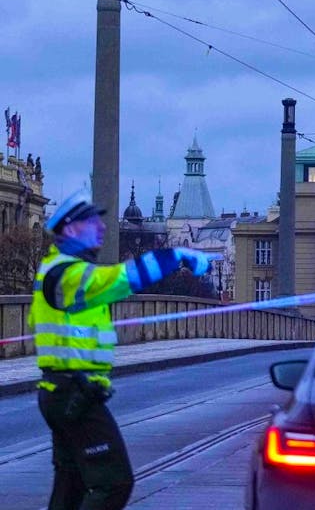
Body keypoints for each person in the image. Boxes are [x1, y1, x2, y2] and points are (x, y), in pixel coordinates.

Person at [29, 189, 216, 510]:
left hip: (63, 392)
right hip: (74, 394)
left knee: (71, 486)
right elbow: (122, 278)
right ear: (71, 229)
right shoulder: (68, 275)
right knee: (114, 483)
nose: (102, 228)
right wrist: (178, 257)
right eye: (93, 223)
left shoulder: (55, 269)